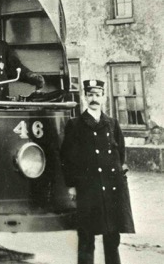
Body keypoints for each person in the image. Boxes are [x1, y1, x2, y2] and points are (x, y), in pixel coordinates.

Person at [61, 79, 135, 264]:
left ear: (103, 97)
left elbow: (120, 153)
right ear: (85, 97)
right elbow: (67, 158)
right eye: (90, 95)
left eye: (97, 95)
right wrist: (71, 185)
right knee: (86, 237)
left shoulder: (112, 123)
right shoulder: (75, 124)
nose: (94, 99)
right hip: (88, 188)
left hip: (111, 188)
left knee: (112, 238)